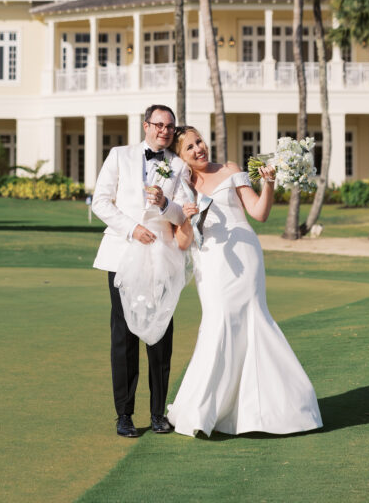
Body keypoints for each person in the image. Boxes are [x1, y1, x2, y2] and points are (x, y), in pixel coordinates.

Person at [164, 126, 323, 438]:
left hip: (245, 256)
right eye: (190, 148)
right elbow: (181, 243)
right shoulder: (179, 187)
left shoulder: (230, 169)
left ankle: (277, 409)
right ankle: (204, 409)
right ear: (179, 157)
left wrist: (269, 183)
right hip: (210, 261)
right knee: (218, 322)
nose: (199, 149)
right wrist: (185, 216)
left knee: (254, 321)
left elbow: (259, 213)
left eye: (199, 141)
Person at [92, 104, 192, 438]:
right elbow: (101, 202)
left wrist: (166, 205)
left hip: (161, 260)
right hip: (123, 255)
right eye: (159, 125)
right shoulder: (119, 155)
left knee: (160, 336)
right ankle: (124, 414)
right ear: (146, 125)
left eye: (170, 127)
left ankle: (158, 413)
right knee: (124, 336)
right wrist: (131, 228)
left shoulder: (179, 165)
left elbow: (183, 214)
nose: (164, 131)